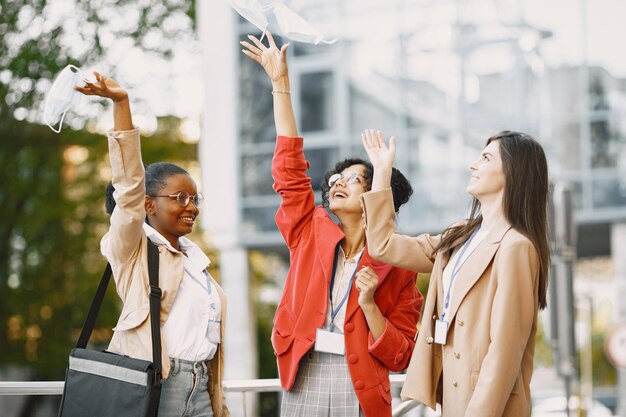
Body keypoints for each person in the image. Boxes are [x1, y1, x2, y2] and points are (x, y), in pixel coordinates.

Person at [241, 32, 423, 417]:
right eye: (335, 179)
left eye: (354, 179)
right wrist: (280, 84)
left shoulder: (400, 263)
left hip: (360, 384)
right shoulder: (311, 230)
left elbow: (403, 354)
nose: (337, 181)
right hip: (304, 372)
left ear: (375, 193)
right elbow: (289, 169)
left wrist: (370, 304)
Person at [360, 130, 550, 416]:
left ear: (513, 171)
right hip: (451, 397)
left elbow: (505, 352)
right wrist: (382, 173)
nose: (473, 165)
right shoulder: (459, 235)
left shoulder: (515, 247)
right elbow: (383, 245)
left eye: (485, 158)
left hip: (488, 405)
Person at [76, 73, 230, 417]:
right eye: (179, 197)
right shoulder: (132, 249)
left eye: (194, 197)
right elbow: (128, 188)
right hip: (157, 384)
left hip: (202, 386)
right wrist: (121, 103)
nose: (191, 206)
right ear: (149, 205)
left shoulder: (194, 260)